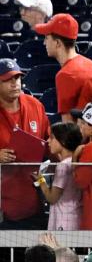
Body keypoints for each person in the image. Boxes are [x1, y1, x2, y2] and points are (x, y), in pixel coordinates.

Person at [0, 59, 50, 229]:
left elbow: (49, 141)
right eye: (7, 80)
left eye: (17, 78)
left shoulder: (35, 105)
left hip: (32, 198)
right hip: (3, 202)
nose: (14, 83)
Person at [35, 14, 92, 122]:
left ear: (57, 43)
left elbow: (68, 124)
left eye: (47, 38)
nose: (44, 42)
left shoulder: (66, 74)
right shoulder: (91, 64)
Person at [36, 121, 82, 231]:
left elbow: (52, 198)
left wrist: (40, 179)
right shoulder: (77, 161)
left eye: (52, 138)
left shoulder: (63, 166)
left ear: (63, 141)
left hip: (63, 222)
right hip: (76, 218)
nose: (48, 141)